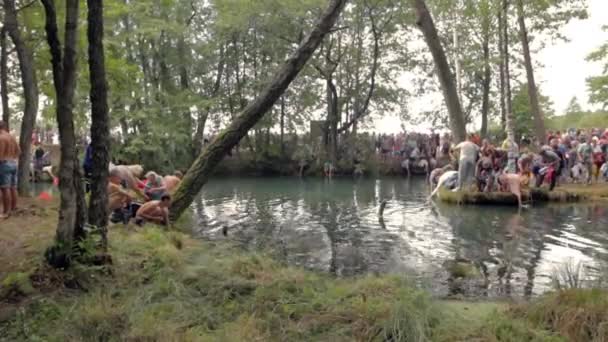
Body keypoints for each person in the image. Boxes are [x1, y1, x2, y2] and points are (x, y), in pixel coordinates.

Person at [0, 121, 20, 219]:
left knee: (5, 188)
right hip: (13, 163)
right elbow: (19, 151)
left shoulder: (0, 138)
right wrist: (12, 158)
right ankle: (13, 208)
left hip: (4, 164)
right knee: (13, 187)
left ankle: (6, 212)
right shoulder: (11, 137)